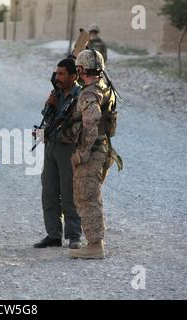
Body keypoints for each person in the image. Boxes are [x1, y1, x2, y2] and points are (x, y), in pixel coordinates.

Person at [68, 49, 120, 259]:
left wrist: (83, 152)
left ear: (80, 69)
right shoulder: (105, 87)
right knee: (92, 196)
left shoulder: (89, 93)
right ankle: (94, 241)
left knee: (87, 197)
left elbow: (91, 121)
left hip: (93, 151)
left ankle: (94, 245)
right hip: (105, 148)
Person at [33, 58, 82, 249]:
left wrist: (51, 133)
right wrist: (51, 104)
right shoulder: (58, 92)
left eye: (62, 74)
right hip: (51, 146)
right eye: (57, 73)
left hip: (68, 148)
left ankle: (74, 235)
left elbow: (78, 128)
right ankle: (53, 234)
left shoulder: (79, 96)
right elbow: (46, 115)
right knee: (49, 191)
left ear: (73, 76)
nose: (58, 77)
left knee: (69, 192)